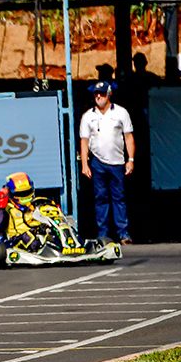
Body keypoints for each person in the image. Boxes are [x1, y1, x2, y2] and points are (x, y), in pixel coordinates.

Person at [80, 80, 135, 245]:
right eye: (96, 94)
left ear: (108, 94)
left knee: (119, 198)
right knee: (100, 198)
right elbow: (84, 140)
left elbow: (128, 137)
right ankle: (103, 234)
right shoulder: (88, 116)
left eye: (102, 94)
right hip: (98, 162)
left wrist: (130, 159)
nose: (98, 97)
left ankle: (123, 233)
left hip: (117, 162)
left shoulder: (121, 113)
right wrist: (84, 163)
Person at [0, 172, 48, 253]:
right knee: (28, 237)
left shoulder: (36, 205)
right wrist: (2, 206)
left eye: (27, 192)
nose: (25, 196)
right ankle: (40, 250)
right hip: (15, 239)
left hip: (35, 233)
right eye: (20, 193)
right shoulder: (7, 208)